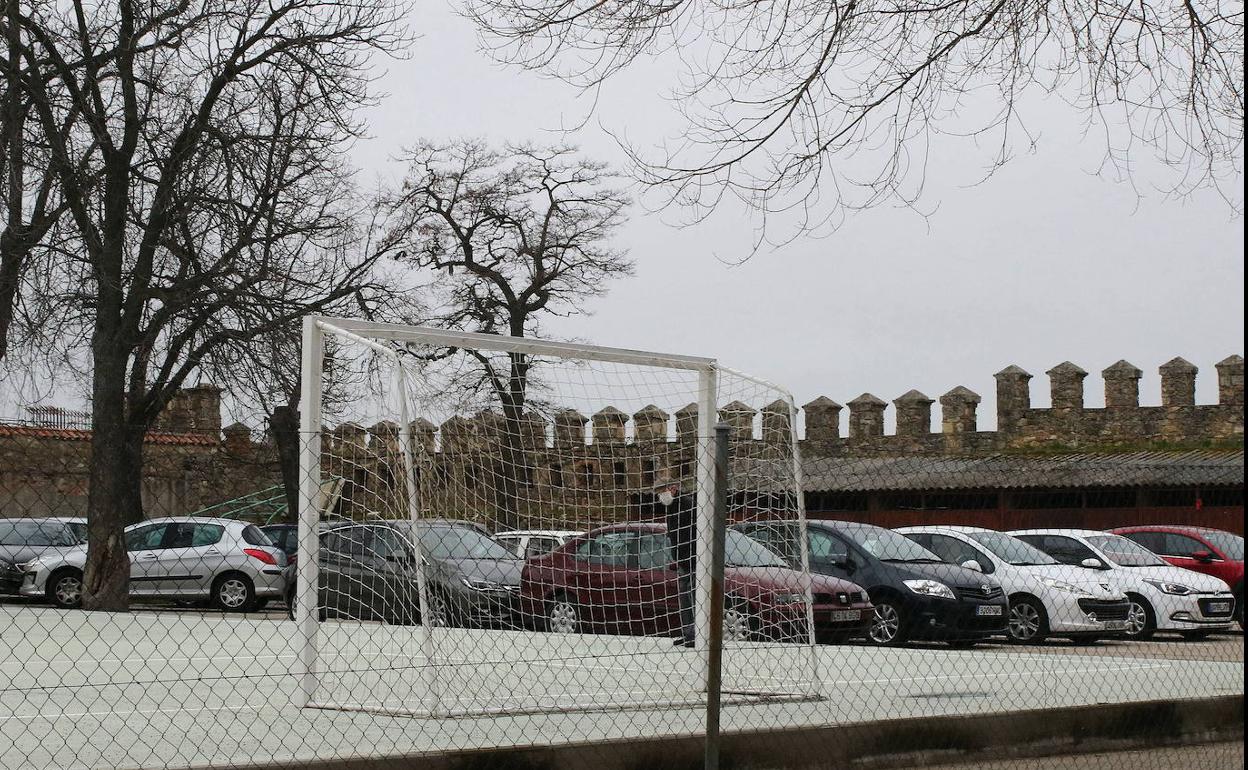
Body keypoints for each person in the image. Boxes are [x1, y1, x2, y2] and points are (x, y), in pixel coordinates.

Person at [657, 478, 697, 648]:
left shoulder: (688, 505)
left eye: (662, 491)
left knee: (694, 597)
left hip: (694, 558)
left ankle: (697, 633)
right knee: (684, 599)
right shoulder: (671, 507)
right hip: (682, 560)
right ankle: (688, 634)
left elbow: (693, 533)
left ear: (673, 488)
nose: (660, 496)